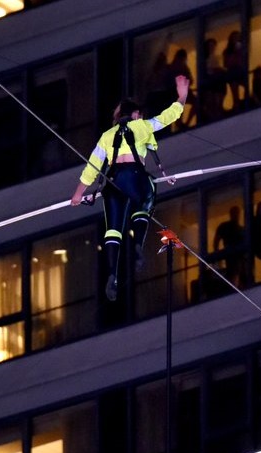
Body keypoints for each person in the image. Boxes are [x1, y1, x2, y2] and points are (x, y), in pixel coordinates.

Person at [70, 74, 189, 301]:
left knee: (112, 228)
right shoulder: (141, 127)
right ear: (134, 114)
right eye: (139, 114)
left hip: (113, 181)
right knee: (146, 197)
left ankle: (112, 274)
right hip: (134, 175)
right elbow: (167, 117)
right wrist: (181, 97)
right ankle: (137, 245)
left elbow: (93, 166)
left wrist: (78, 195)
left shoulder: (107, 136)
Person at [213, 206, 246, 286]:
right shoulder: (225, 226)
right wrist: (217, 255)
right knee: (234, 271)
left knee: (238, 272)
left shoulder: (241, 229)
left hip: (239, 255)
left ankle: (237, 286)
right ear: (230, 214)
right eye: (234, 213)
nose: (236, 215)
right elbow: (216, 240)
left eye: (237, 213)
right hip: (231, 254)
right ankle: (235, 287)